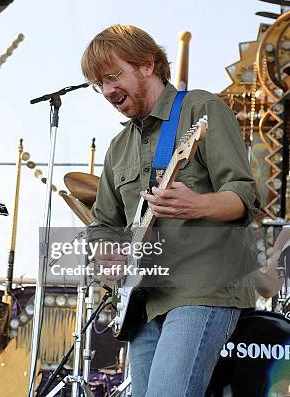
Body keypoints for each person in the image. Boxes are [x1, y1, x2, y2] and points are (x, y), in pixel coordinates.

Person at [81, 25, 260, 397]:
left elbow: (245, 195)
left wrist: (198, 204)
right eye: (99, 84)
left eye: (113, 76)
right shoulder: (117, 148)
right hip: (144, 303)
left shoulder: (201, 109)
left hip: (203, 286)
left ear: (147, 64)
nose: (107, 90)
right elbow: (102, 223)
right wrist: (105, 253)